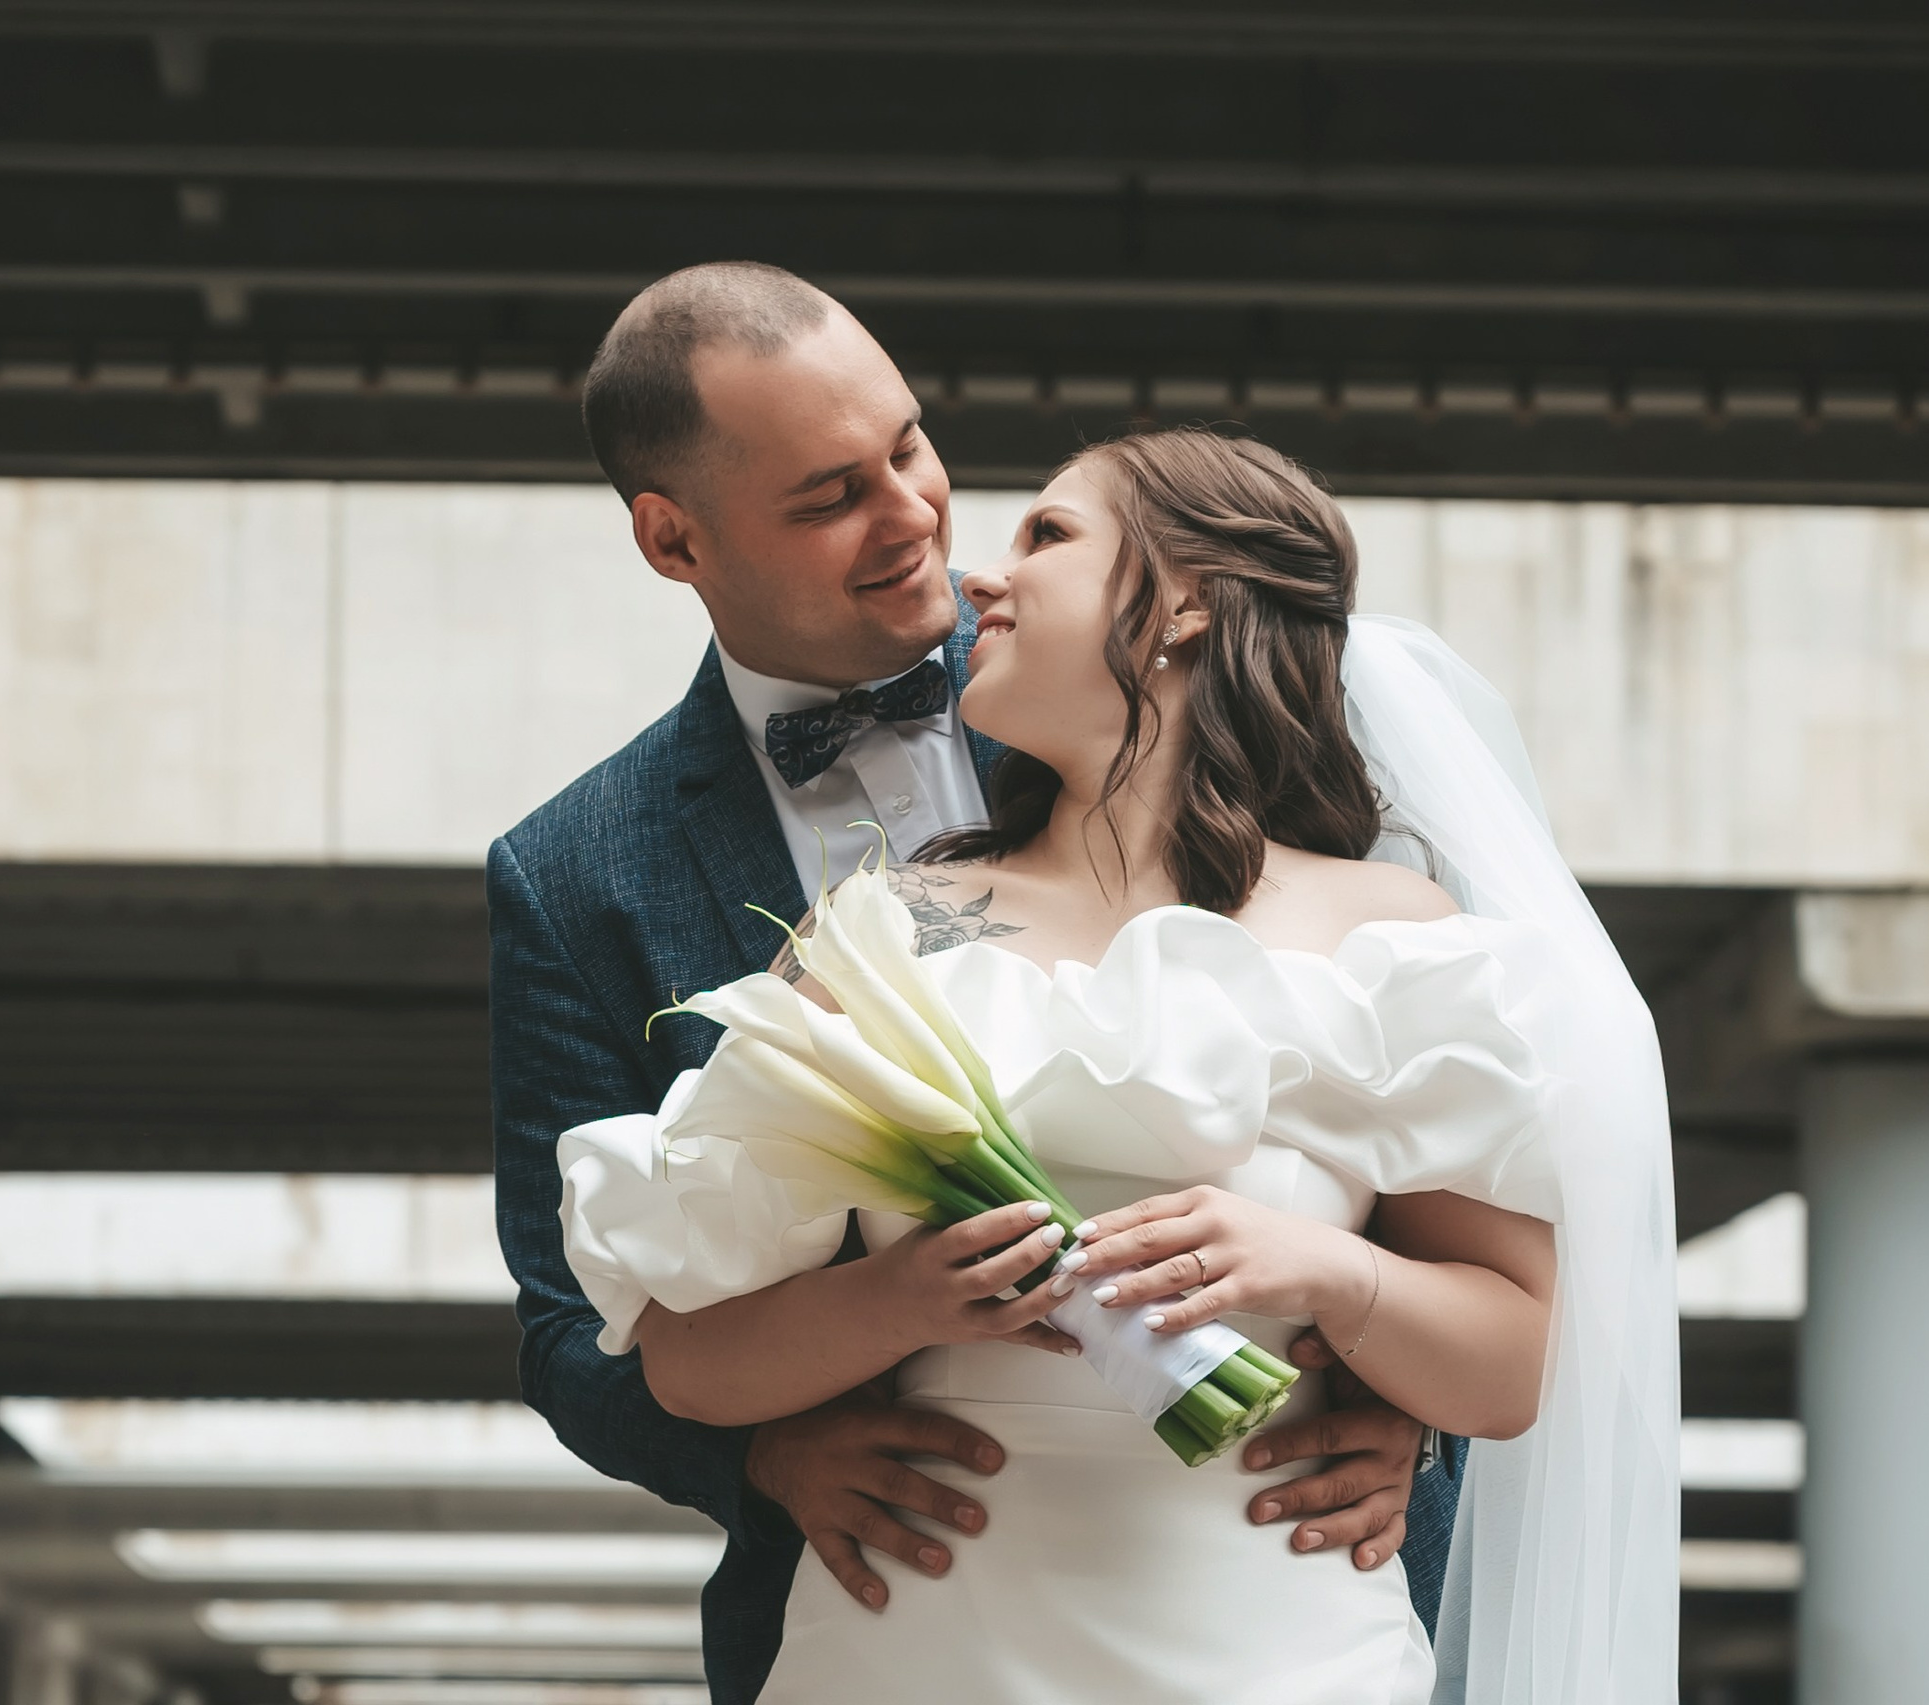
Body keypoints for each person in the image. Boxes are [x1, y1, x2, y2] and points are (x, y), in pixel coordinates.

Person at [555, 426, 1679, 1702]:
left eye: (1046, 534)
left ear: (1186, 602)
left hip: (1276, 1644)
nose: (981, 579)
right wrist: (903, 1301)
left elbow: (1513, 1365)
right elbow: (685, 1360)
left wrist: (1327, 1271)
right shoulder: (879, 930)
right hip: (919, 1640)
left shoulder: (1395, 938)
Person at [489, 264, 1467, 1704]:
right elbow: (567, 1317)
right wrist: (762, 1450)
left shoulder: (1136, 675)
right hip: (902, 1601)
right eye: (829, 498)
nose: (916, 522)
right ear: (670, 536)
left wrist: (1396, 1398)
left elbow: (1408, 1103)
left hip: (1278, 1571)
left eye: (909, 447)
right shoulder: (571, 873)